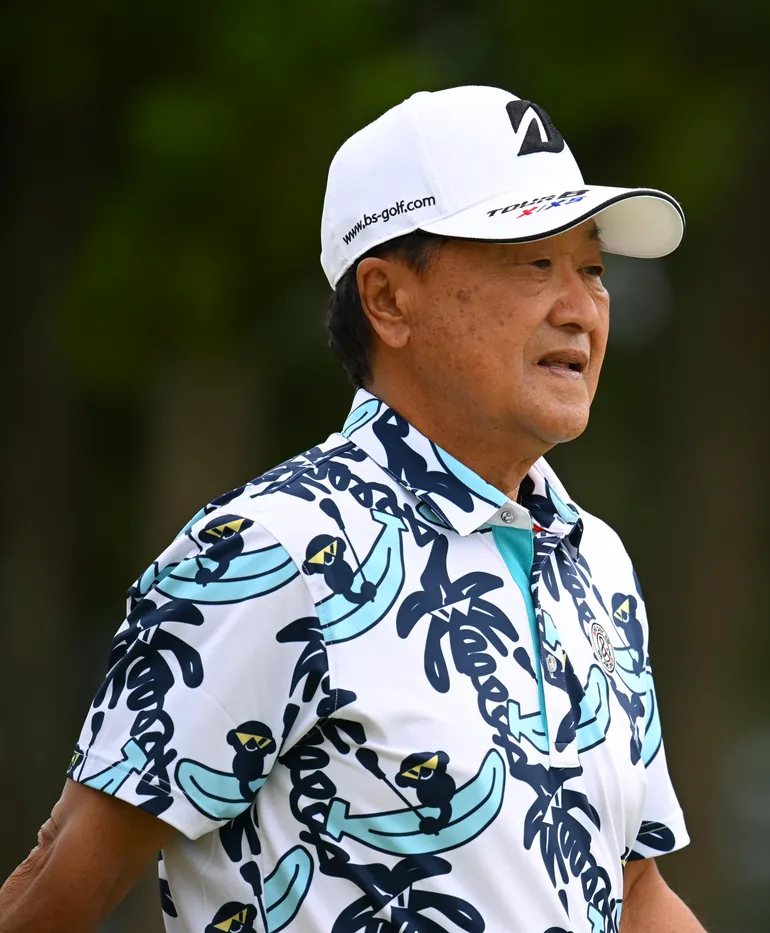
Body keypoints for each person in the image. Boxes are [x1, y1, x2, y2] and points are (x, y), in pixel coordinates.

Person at [0, 85, 706, 933]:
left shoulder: (595, 560)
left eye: (591, 269)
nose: (580, 309)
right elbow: (66, 881)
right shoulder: (269, 551)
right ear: (387, 299)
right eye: (532, 262)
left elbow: (633, 890)